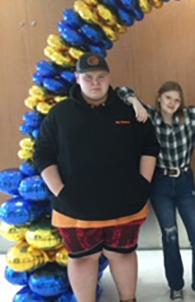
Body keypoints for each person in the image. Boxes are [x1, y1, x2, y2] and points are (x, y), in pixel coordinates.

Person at [33, 53, 159, 302]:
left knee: (122, 254)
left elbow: (149, 148)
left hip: (126, 206)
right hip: (74, 209)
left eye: (101, 77)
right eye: (88, 77)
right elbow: (43, 156)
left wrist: (142, 186)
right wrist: (61, 192)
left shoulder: (129, 110)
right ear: (78, 79)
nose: (95, 83)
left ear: (109, 78)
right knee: (82, 259)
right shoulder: (60, 114)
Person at [117, 82, 195, 302]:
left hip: (184, 181)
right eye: (168, 99)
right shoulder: (151, 117)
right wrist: (135, 102)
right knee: (170, 236)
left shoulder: (190, 117)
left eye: (176, 99)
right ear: (159, 99)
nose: (172, 103)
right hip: (160, 182)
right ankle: (175, 285)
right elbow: (121, 91)